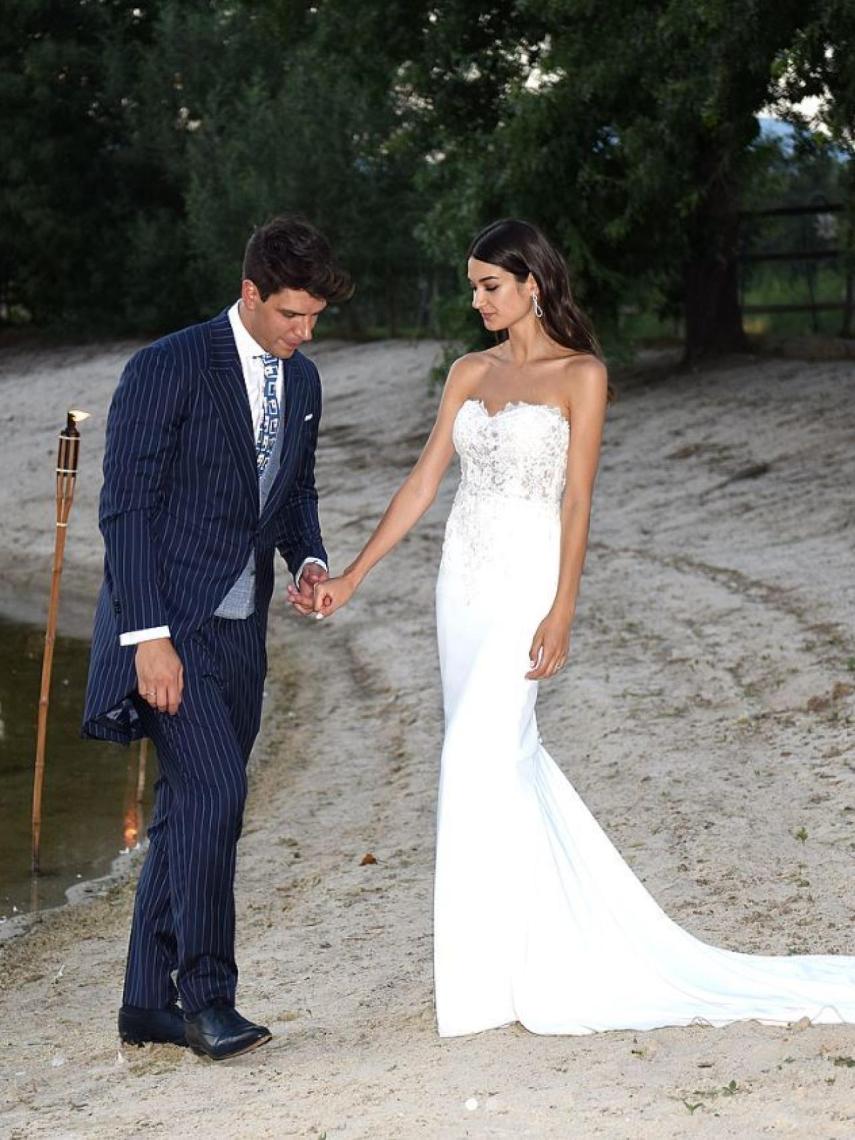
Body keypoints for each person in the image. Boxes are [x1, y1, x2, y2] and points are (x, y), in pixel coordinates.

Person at [307, 217, 855, 1037]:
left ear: (532, 283)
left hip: (527, 580)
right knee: (492, 766)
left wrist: (562, 608)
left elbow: (576, 500)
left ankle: (499, 980)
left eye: (490, 284)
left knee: (475, 755)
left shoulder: (581, 375)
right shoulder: (466, 371)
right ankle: (501, 968)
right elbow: (423, 485)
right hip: (460, 582)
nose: (477, 298)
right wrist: (351, 575)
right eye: (472, 285)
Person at [83, 215, 351, 1060]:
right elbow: (123, 509)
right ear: (249, 294)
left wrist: (307, 558)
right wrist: (147, 639)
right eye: (290, 316)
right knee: (214, 800)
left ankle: (142, 1003)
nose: (302, 334)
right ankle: (206, 1001)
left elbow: (293, 490)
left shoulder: (300, 383)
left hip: (243, 632)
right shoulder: (166, 367)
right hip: (168, 627)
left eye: (312, 319)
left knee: (190, 812)